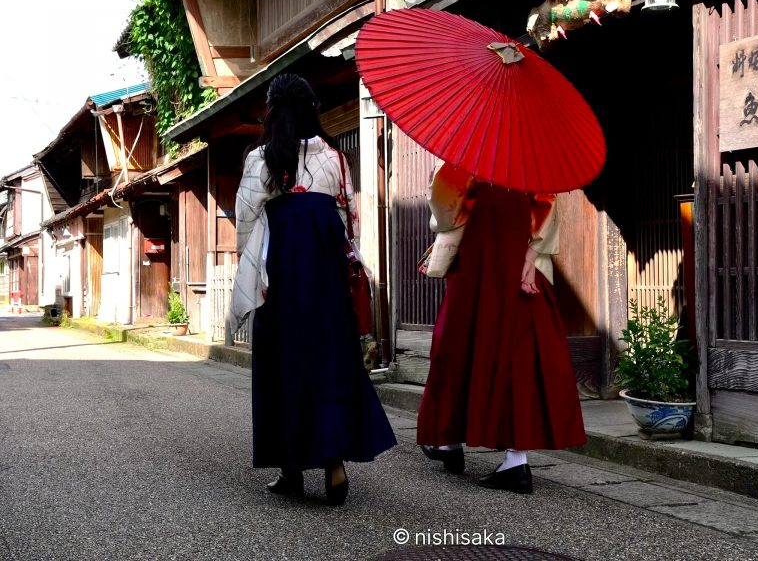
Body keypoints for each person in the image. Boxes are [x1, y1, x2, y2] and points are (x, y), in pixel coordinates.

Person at [231, 73, 396, 505]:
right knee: (329, 364)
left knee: (283, 365)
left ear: (272, 112)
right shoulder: (335, 159)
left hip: (282, 277)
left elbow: (245, 221)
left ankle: (290, 469)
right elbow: (350, 223)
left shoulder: (262, 160)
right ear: (312, 111)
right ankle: (334, 465)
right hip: (324, 278)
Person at [417, 161, 586, 494]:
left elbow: (444, 207)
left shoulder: (469, 154)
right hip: (520, 254)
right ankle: (515, 459)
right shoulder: (532, 157)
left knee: (458, 344)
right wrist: (531, 255)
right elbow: (547, 205)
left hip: (480, 256)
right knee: (519, 350)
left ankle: (448, 440)